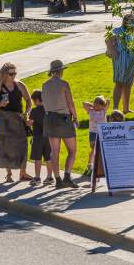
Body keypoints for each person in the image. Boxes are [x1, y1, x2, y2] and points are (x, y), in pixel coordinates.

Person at [0, 63, 32, 183]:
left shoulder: (19, 85)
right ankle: (9, 174)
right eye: (11, 73)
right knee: (6, 145)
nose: (13, 76)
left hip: (18, 117)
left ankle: (23, 173)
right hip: (4, 118)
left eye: (15, 73)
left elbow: (28, 100)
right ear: (4, 74)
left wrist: (27, 112)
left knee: (23, 143)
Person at [41, 59, 79, 189]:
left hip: (49, 118)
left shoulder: (44, 85)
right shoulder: (64, 84)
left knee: (54, 151)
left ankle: (57, 179)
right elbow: (71, 104)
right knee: (72, 150)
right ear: (60, 71)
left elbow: (44, 104)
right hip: (63, 119)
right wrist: (75, 117)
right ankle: (67, 176)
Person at [106, 14, 134, 113]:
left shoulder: (132, 33)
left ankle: (126, 108)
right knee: (119, 83)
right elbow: (107, 40)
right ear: (125, 21)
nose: (132, 23)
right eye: (130, 21)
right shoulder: (118, 31)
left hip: (132, 61)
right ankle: (115, 109)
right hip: (121, 60)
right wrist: (112, 50)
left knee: (128, 84)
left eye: (133, 21)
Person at [28, 90, 54, 186]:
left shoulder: (34, 111)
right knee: (48, 158)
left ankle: (37, 177)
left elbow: (29, 123)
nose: (34, 103)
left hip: (38, 137)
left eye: (34, 101)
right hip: (49, 137)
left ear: (37, 100)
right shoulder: (49, 110)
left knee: (37, 158)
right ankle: (49, 177)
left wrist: (25, 118)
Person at [82, 96, 109, 176]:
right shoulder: (91, 111)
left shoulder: (103, 111)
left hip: (102, 133)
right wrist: (92, 105)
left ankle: (94, 166)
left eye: (98, 104)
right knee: (93, 149)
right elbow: (84, 104)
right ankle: (90, 165)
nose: (96, 106)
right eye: (95, 104)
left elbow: (108, 101)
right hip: (93, 133)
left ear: (102, 105)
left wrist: (102, 104)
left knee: (98, 150)